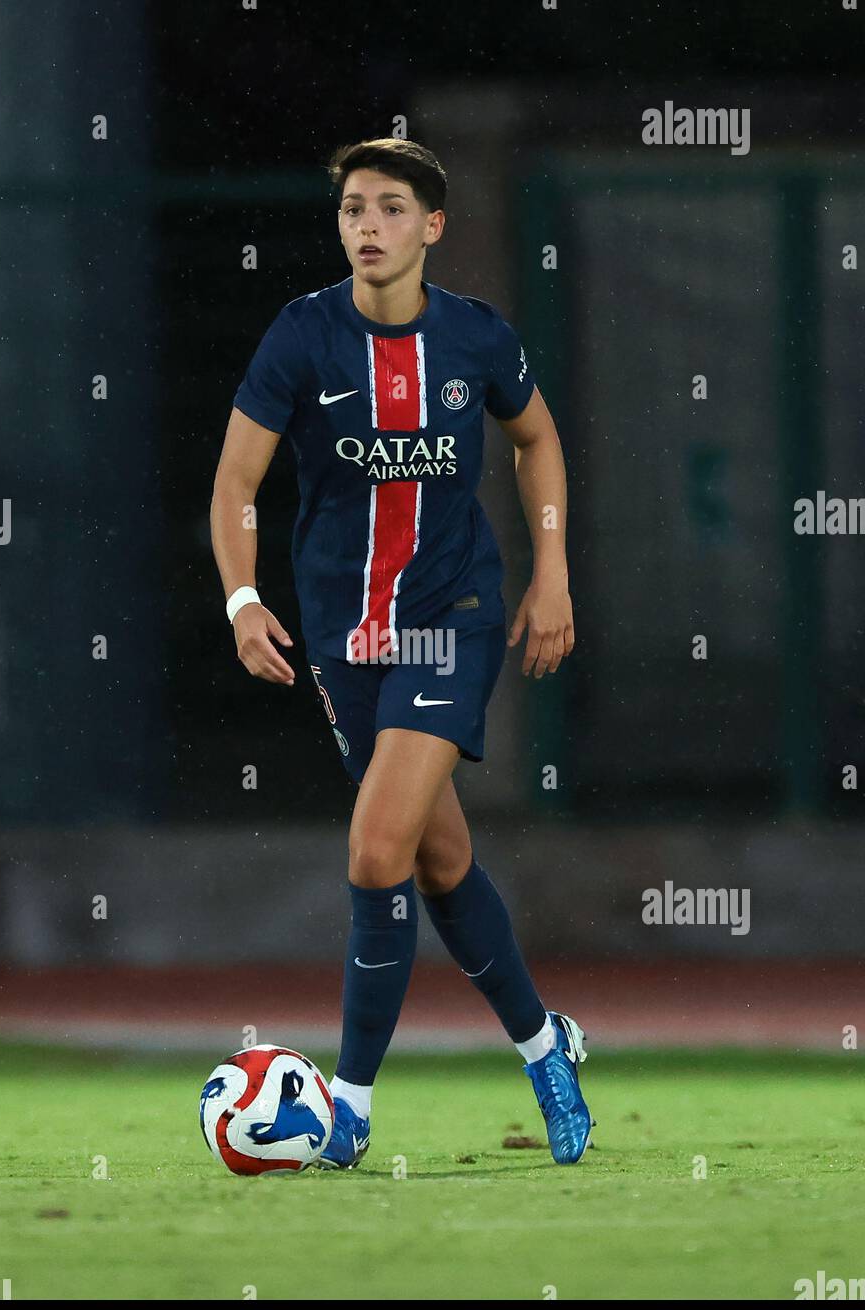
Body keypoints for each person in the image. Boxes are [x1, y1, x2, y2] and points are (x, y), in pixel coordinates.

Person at [210, 137, 591, 1168]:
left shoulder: (475, 339)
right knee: (440, 857)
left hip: (449, 613)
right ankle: (545, 1043)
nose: (365, 226)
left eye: (387, 208)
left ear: (432, 226)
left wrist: (550, 573)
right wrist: (244, 600)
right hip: (346, 638)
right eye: (349, 210)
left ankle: (349, 1111)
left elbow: (536, 438)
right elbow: (235, 485)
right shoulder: (300, 338)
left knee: (376, 850)